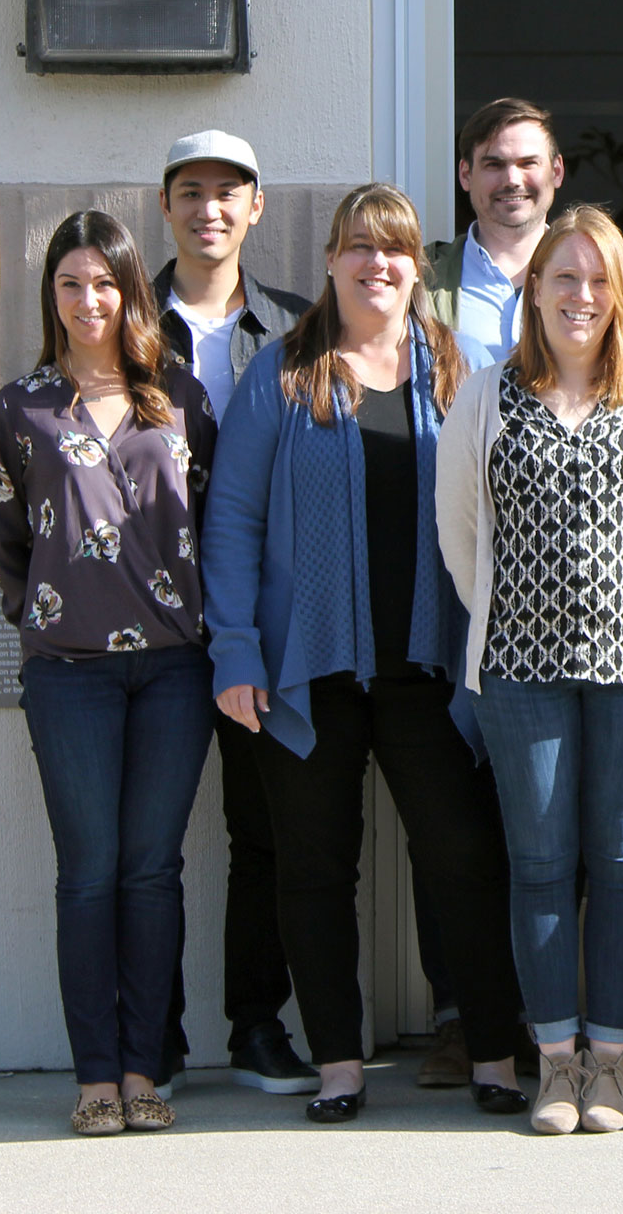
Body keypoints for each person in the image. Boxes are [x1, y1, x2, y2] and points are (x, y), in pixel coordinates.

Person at [205, 184, 526, 1125]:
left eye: (394, 250)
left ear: (414, 267)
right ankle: (339, 1061)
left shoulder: (456, 369)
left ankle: (495, 1052)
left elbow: (494, 513)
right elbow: (230, 520)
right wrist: (233, 651)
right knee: (314, 868)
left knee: (464, 857)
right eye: (359, 248)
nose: (377, 265)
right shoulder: (284, 372)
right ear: (334, 262)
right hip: (308, 670)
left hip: (427, 668)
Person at [437, 205, 623, 1137]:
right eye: (563, 278)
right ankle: (554, 1065)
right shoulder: (486, 395)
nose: (581, 296)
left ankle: (609, 1060)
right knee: (541, 864)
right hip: (519, 665)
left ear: (621, 292)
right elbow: (460, 534)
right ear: (535, 291)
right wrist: (524, 611)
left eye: (598, 280)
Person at [0, 211, 217, 1137]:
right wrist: (50, 611)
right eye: (70, 283)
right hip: (69, 675)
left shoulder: (181, 400)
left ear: (130, 291)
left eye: (104, 283)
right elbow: (3, 540)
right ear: (52, 294)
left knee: (152, 872)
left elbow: (212, 522)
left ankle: (145, 1066)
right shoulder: (21, 407)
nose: (88, 301)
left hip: (173, 672)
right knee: (88, 873)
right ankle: (93, 1077)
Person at [147, 130, 315, 1100]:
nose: (210, 208)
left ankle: (258, 1026)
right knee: (150, 845)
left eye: (229, 192)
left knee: (269, 834)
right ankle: (154, 1043)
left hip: (262, 623)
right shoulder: (125, 324)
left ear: (257, 207)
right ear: (166, 206)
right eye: (191, 191)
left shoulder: (296, 332)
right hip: (154, 626)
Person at [424, 98, 566, 364]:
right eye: (494, 165)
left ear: (557, 171)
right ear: (465, 174)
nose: (512, 180)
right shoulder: (420, 280)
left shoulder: (597, 280)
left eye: (527, 163)